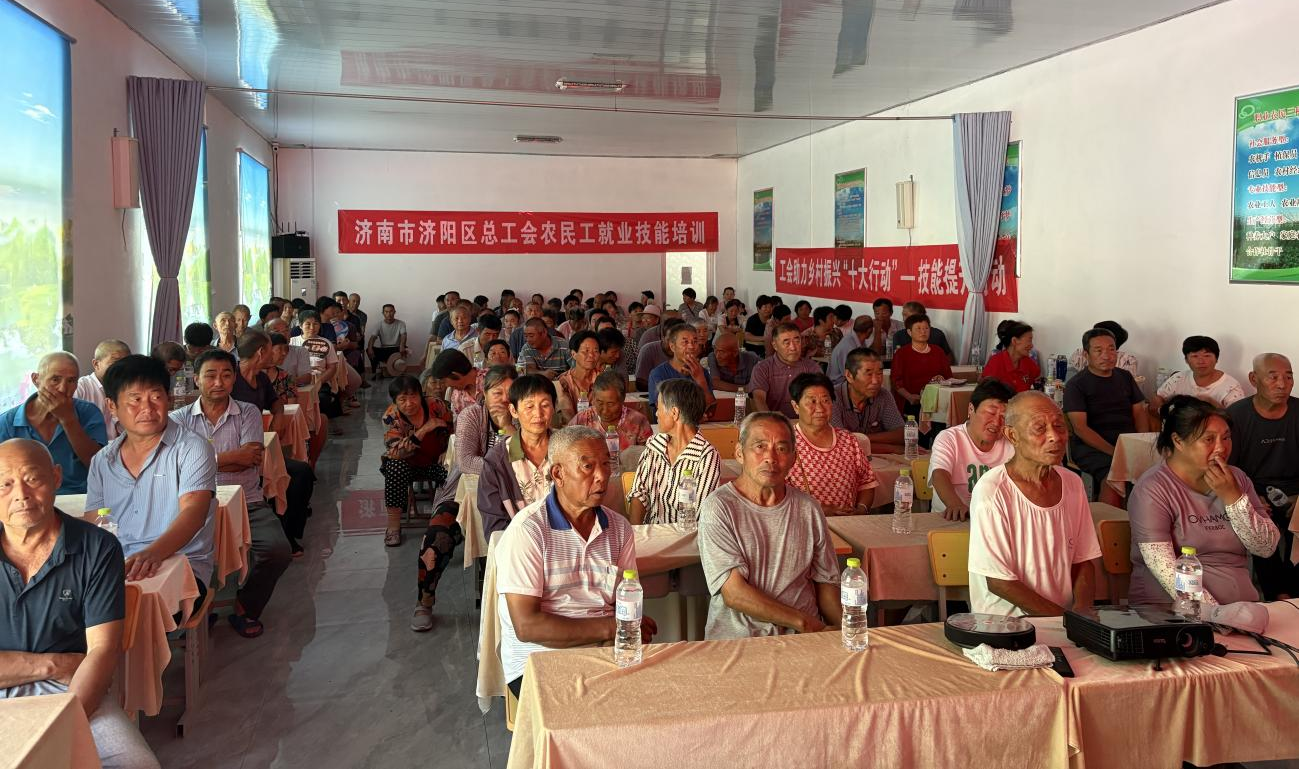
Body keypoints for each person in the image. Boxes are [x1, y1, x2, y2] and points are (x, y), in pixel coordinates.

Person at [0, 439, 160, 769]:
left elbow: (101, 651)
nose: (21, 495)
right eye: (5, 484)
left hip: (72, 687)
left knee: (136, 765)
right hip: (50, 672)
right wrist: (52, 664)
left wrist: (63, 728)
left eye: (32, 478)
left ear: (56, 477)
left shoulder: (97, 548)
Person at [496, 426, 650, 697]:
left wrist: (625, 628)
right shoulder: (528, 531)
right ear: (558, 474)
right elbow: (527, 626)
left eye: (606, 464)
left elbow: (625, 601)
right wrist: (611, 627)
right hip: (539, 660)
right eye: (588, 467)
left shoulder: (619, 529)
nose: (602, 476)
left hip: (604, 651)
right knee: (593, 710)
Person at [171, 350, 291, 637]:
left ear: (234, 378)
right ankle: (197, 610)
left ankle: (245, 606)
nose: (218, 382)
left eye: (226, 375)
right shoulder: (178, 419)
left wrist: (200, 463)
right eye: (210, 376)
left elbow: (250, 458)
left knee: (277, 550)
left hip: (246, 500)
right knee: (180, 555)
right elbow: (175, 467)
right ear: (196, 380)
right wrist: (230, 458)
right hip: (193, 504)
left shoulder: (247, 412)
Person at [698, 412, 842, 639]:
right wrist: (806, 624)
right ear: (739, 453)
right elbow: (734, 593)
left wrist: (846, 630)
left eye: (782, 449)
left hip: (804, 640)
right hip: (742, 640)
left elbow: (826, 584)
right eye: (760, 446)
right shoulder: (719, 507)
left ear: (794, 458)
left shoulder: (809, 509)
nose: (770, 458)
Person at [85, 355, 217, 596]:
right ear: (112, 406)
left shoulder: (191, 448)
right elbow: (96, 522)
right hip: (119, 563)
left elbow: (193, 513)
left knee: (128, 607)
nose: (147, 409)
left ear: (169, 399)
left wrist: (151, 554)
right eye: (135, 399)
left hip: (181, 563)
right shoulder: (102, 460)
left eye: (156, 397)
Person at [1129, 396, 1279, 607]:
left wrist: (1234, 498)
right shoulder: (1153, 488)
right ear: (1178, 441)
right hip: (1173, 613)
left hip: (1241, 609)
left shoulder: (1237, 479)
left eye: (1226, 438)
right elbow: (1164, 569)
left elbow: (1265, 547)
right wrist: (1217, 616)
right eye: (1209, 439)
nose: (1221, 448)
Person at [967, 391, 1101, 616]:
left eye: (1059, 426)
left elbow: (1083, 559)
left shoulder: (1072, 483)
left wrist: (1082, 612)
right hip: (1007, 625)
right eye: (1040, 428)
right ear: (1012, 435)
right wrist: (1064, 621)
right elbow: (999, 582)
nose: (1054, 437)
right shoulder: (993, 490)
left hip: (1062, 620)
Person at [229, 332, 318, 554]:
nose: (275, 355)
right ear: (261, 352)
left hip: (261, 447)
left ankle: (289, 533)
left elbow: (275, 403)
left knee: (302, 473)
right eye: (271, 350)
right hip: (237, 452)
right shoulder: (232, 381)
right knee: (290, 475)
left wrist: (278, 416)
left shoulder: (261, 378)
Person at [1227, 353, 1299, 599]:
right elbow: (1227, 466)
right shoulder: (1236, 415)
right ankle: (1276, 594)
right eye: (1273, 377)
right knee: (1259, 524)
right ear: (1253, 379)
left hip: (1296, 491)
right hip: (1253, 490)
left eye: (1288, 377)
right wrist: (1250, 496)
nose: (1282, 384)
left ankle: (1294, 594)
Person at [1063, 327, 1148, 504]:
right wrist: (1116, 452)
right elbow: (1081, 428)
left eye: (1111, 349)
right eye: (1098, 350)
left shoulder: (1124, 377)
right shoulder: (1076, 385)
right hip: (1092, 446)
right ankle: (1109, 520)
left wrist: (1142, 442)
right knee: (1114, 474)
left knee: (1160, 468)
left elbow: (1139, 412)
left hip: (1127, 442)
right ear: (1086, 354)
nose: (1107, 356)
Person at [0, 353, 105, 495]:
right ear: (36, 379)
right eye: (55, 379)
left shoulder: (89, 413)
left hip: (79, 497)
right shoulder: (7, 422)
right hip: (27, 498)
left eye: (71, 381)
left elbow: (99, 467)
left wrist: (68, 420)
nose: (62, 388)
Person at [628, 380, 720, 524]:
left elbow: (699, 515)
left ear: (674, 413)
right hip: (652, 531)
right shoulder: (655, 444)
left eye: (659, 408)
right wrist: (635, 532)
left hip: (687, 534)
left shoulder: (706, 456)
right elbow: (639, 493)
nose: (656, 413)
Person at [786, 373, 878, 515]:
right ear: (796, 406)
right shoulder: (786, 443)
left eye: (825, 400)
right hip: (804, 522)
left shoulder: (848, 440)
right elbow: (775, 494)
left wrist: (861, 509)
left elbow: (867, 482)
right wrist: (821, 511)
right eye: (812, 401)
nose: (820, 409)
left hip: (848, 523)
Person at [479, 375, 557, 540]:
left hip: (565, 541)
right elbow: (494, 524)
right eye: (529, 406)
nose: (538, 414)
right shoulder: (496, 461)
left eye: (545, 405)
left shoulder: (568, 450)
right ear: (513, 411)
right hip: (518, 544)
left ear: (554, 407)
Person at [928, 379, 1017, 520]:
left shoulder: (1012, 443)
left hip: (995, 522)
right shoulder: (949, 438)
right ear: (971, 409)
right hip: (954, 520)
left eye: (1003, 417)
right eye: (991, 413)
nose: (996, 423)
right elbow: (939, 474)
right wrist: (955, 505)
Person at [379, 376, 450, 548]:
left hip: (436, 462)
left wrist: (447, 450)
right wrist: (423, 430)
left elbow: (454, 428)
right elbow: (397, 453)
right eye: (402, 399)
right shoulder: (391, 417)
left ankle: (448, 520)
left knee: (457, 470)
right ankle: (393, 526)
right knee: (395, 466)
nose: (409, 403)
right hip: (408, 466)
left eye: (413, 397)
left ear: (421, 394)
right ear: (395, 401)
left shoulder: (436, 405)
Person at [832, 348, 905, 451]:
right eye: (869, 374)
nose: (875, 381)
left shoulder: (883, 395)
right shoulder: (832, 398)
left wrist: (860, 439)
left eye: (879, 373)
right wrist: (890, 448)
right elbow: (840, 443)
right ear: (849, 375)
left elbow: (901, 434)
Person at [1151, 336, 1245, 411]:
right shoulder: (1178, 378)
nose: (1201, 361)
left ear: (1216, 359)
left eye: (1207, 356)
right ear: (1186, 360)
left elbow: (1237, 419)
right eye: (1195, 356)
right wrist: (1162, 409)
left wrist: (1212, 403)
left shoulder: (1231, 387)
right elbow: (1158, 398)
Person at [749, 322, 821, 420]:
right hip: (774, 422)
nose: (793, 347)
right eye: (787, 343)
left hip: (805, 423)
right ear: (775, 345)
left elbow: (821, 398)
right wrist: (770, 422)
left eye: (797, 341)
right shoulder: (762, 368)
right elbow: (759, 399)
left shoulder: (812, 367)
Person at [890, 313, 953, 422]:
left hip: (937, 402)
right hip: (912, 401)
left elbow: (948, 377)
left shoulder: (938, 351)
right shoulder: (901, 354)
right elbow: (896, 382)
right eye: (918, 328)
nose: (923, 332)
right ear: (909, 332)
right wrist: (909, 396)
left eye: (926, 328)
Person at [647, 323, 716, 422]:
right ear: (672, 347)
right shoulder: (658, 373)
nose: (691, 346)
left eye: (695, 342)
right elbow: (665, 412)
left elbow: (711, 411)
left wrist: (700, 380)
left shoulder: (702, 372)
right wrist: (693, 418)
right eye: (685, 342)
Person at [571, 370, 652, 451]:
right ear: (594, 397)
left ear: (622, 399)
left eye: (610, 404)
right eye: (600, 403)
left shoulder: (638, 421)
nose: (605, 410)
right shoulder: (582, 420)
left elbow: (648, 454)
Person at [292, 310, 344, 419]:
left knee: (322, 399)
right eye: (308, 324)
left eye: (315, 324)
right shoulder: (292, 342)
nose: (312, 327)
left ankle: (319, 424)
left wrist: (319, 381)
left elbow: (332, 367)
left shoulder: (326, 343)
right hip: (296, 381)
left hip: (320, 381)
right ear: (300, 326)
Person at [75, 340, 130, 441]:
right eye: (115, 363)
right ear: (96, 364)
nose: (122, 369)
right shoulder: (81, 387)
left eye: (126, 364)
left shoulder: (128, 389)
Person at [555, 330, 602, 423]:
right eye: (586, 351)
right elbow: (567, 414)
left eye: (596, 351)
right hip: (573, 429)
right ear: (574, 354)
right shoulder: (562, 382)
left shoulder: (603, 379)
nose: (591, 355)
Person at [982, 321, 1039, 393]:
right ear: (1014, 341)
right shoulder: (995, 363)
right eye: (1029, 340)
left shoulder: (1028, 362)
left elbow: (1037, 380)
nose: (1032, 345)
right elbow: (986, 394)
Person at [1068, 320, 1139, 377]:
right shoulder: (1080, 354)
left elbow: (1128, 386)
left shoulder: (1128, 361)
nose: (1106, 357)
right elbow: (1069, 378)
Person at [424, 348, 479, 419]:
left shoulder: (490, 380)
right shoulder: (456, 396)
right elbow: (457, 422)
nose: (447, 386)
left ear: (455, 374)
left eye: (444, 381)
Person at [635, 317, 686, 392]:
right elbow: (640, 384)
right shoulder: (648, 350)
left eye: (678, 341)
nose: (673, 345)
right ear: (663, 337)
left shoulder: (688, 351)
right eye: (670, 340)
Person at [367, 303, 408, 379]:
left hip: (396, 349)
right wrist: (370, 348)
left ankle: (396, 370)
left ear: (394, 312)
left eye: (391, 311)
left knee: (405, 348)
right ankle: (375, 370)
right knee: (369, 349)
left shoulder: (401, 323)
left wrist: (402, 346)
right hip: (384, 350)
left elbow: (404, 335)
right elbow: (373, 337)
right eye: (386, 312)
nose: (389, 314)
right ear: (383, 313)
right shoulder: (379, 324)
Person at [828, 316, 871, 385]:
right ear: (869, 330)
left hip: (850, 380)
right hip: (839, 384)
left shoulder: (859, 341)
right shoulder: (848, 345)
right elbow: (850, 375)